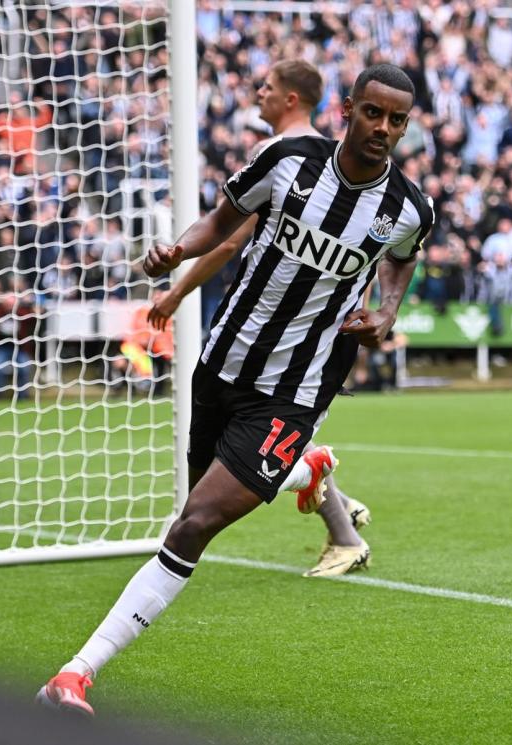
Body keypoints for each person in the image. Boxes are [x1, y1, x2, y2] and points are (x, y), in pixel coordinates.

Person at [39, 63, 434, 716]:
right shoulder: (286, 161)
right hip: (222, 365)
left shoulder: (408, 207)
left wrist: (387, 311)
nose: (384, 129)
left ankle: (76, 673)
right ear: (347, 109)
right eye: (373, 113)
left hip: (294, 390)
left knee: (194, 524)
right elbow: (222, 223)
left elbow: (404, 257)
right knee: (197, 497)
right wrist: (176, 253)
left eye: (397, 120)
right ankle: (306, 465)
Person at [147, 59, 373, 578]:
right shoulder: (314, 157)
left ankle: (341, 530)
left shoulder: (288, 158)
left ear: (292, 98)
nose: (258, 92)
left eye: (267, 86)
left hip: (298, 331)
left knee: (272, 430)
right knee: (272, 428)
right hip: (300, 328)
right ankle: (341, 528)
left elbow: (230, 238)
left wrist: (178, 289)